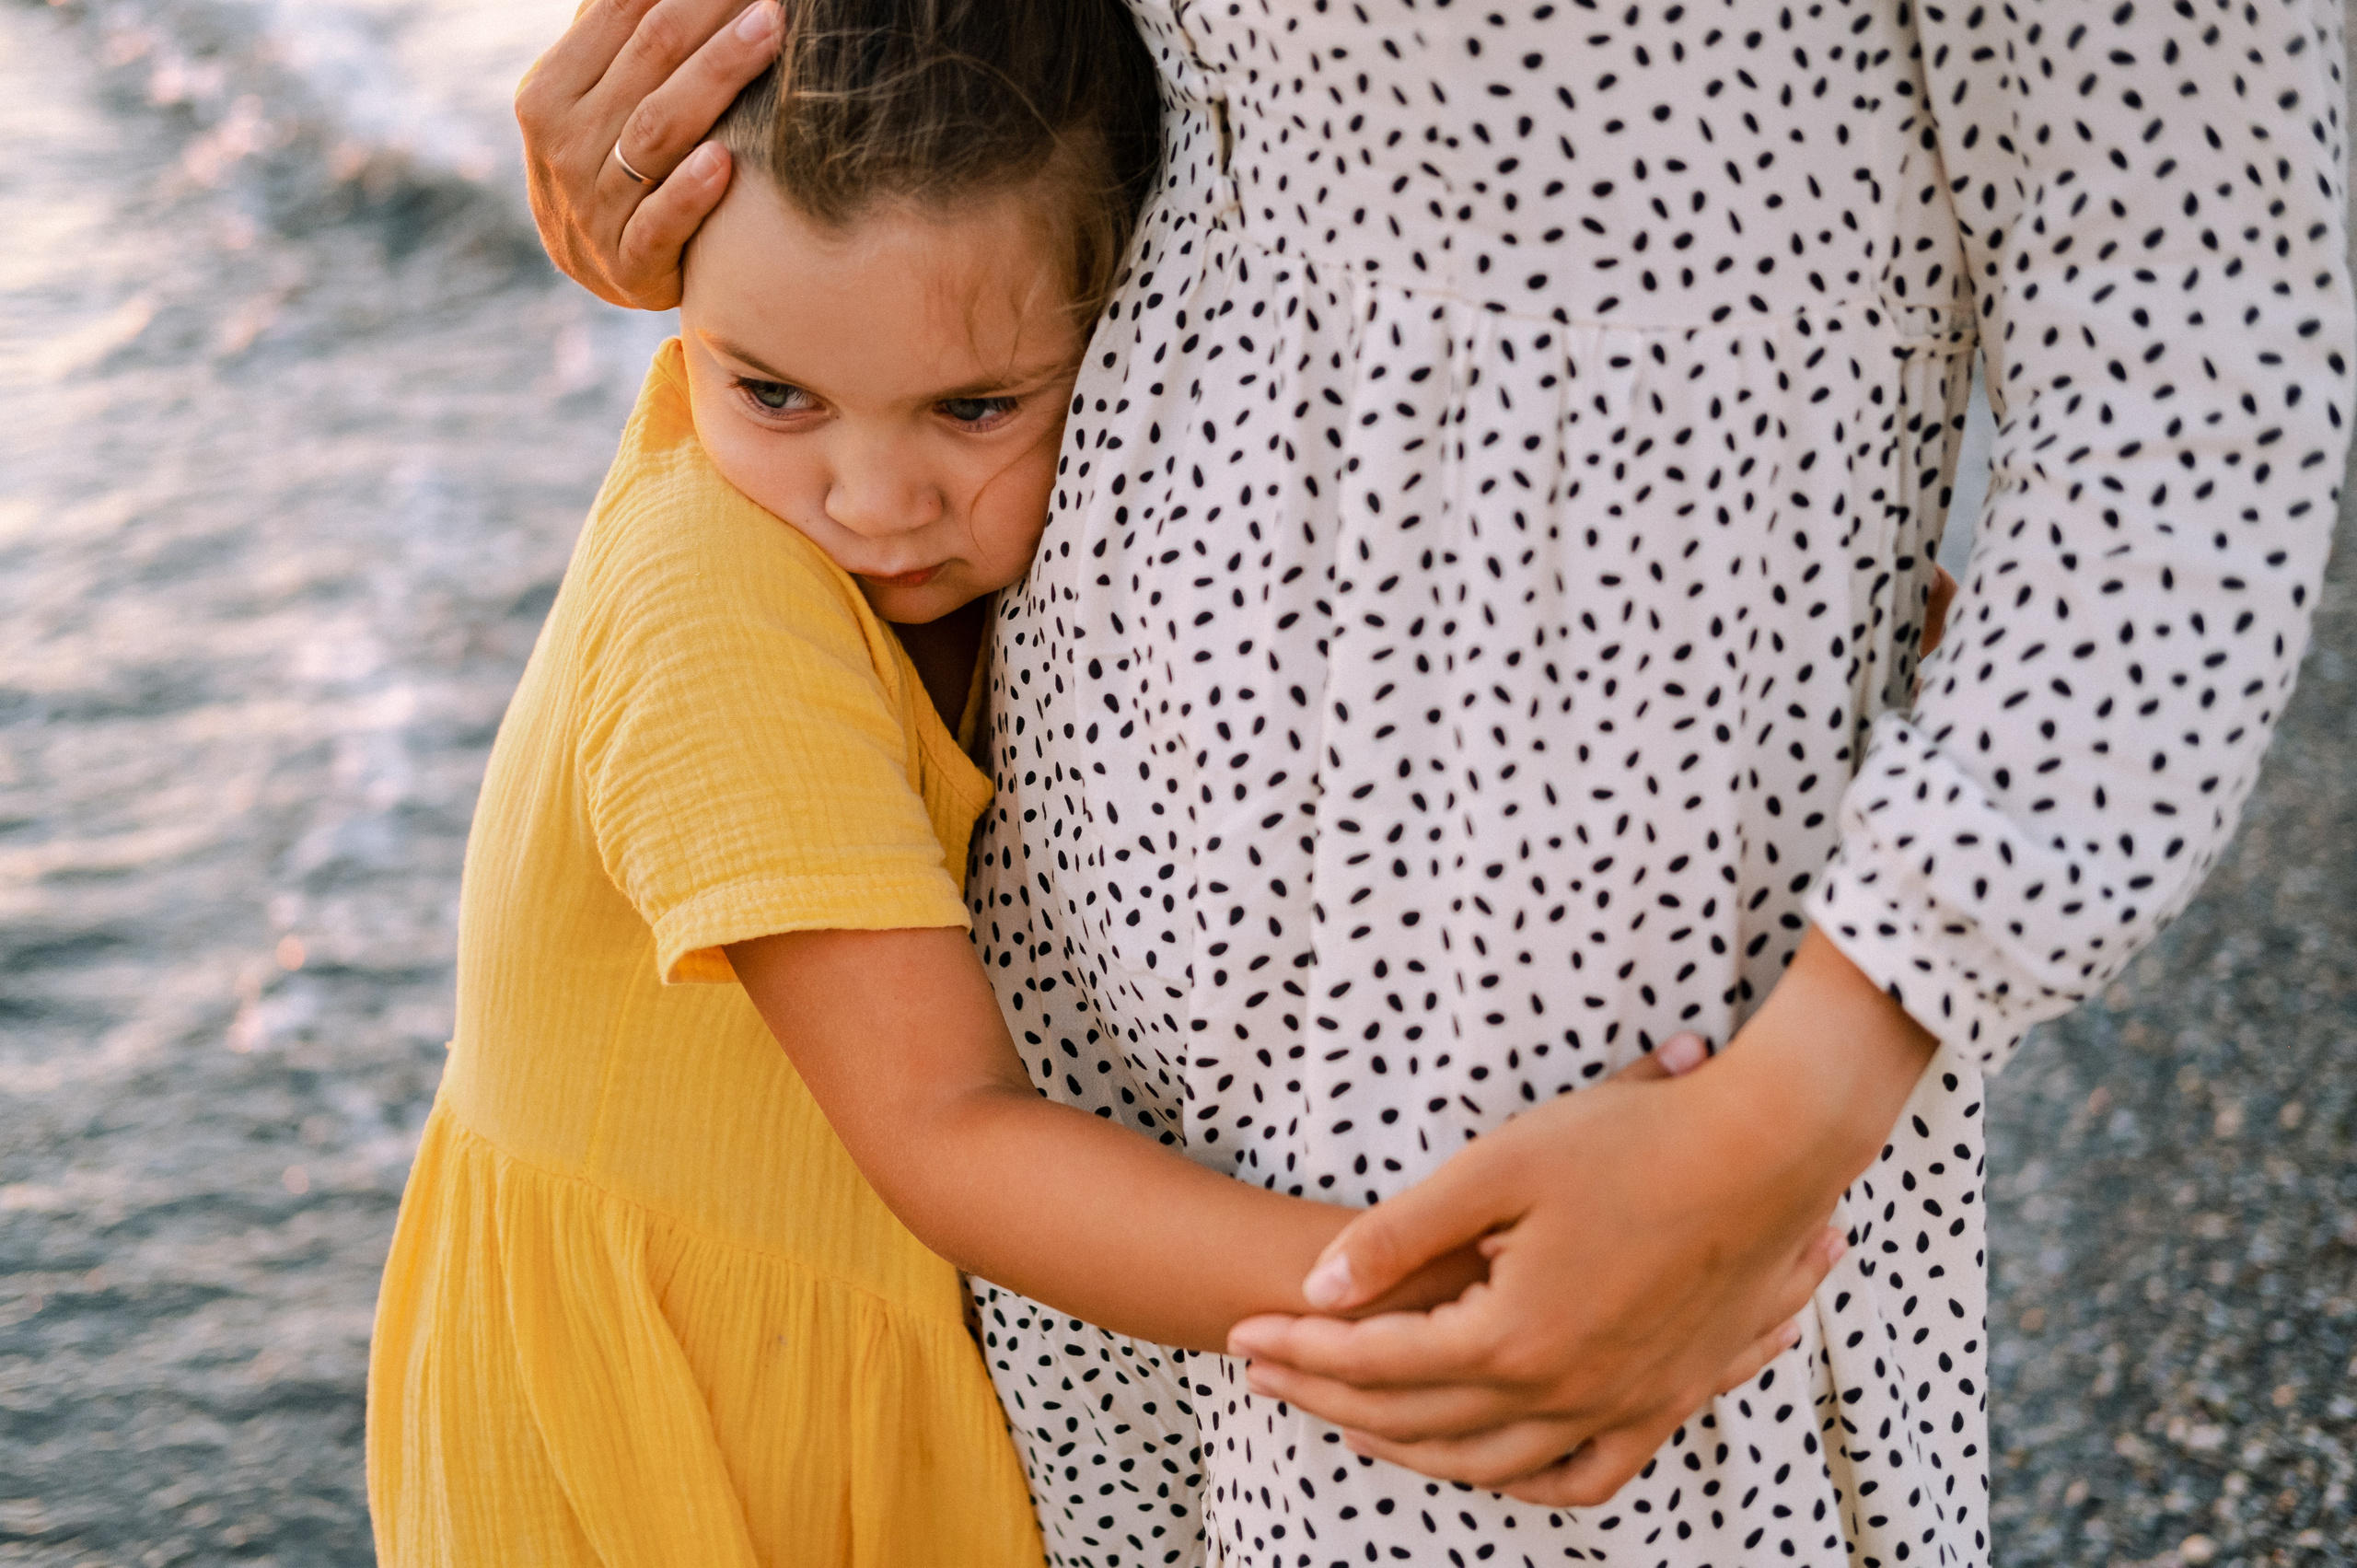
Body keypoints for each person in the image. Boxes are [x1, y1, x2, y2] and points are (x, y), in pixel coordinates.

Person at [517, 1, 2352, 1563]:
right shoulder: (771, 561)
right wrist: (693, 108)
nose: (869, 488)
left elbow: (2200, 316)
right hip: (1095, 1022)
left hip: (1577, 1049)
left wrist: (1814, 1077)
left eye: (957, 415)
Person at [371, 4, 1797, 1563]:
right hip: (666, 1437)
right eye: (773, 391)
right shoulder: (714, 602)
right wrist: (1461, 1300)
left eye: (973, 408)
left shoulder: (894, 525)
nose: (871, 500)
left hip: (831, 1356)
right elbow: (945, 1129)